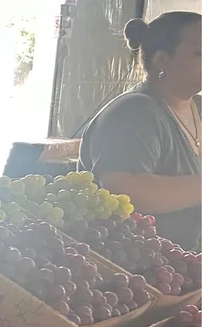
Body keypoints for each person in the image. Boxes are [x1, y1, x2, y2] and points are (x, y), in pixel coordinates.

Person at [78, 12, 202, 250]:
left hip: (188, 268)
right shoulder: (134, 112)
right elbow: (125, 190)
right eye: (199, 52)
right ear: (161, 60)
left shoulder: (198, 107)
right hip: (138, 269)